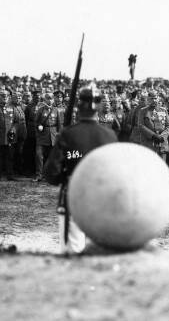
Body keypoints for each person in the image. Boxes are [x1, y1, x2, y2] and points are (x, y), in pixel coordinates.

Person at [44, 84, 118, 254]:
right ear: (99, 107)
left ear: (79, 106)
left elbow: (51, 174)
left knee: (73, 254)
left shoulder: (68, 134)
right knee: (100, 256)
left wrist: (66, 174)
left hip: (73, 198)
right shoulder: (110, 136)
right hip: (102, 200)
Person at [0, 90, 18, 181]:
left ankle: (10, 175)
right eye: (2, 96)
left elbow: (16, 122)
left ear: (9, 97)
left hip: (10, 137)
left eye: (6, 96)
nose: (4, 97)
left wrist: (13, 129)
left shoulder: (13, 108)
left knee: (10, 156)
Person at [139, 92, 169, 160]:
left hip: (162, 143)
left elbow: (168, 126)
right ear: (148, 99)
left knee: (161, 166)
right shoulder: (143, 111)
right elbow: (141, 126)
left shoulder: (163, 110)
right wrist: (153, 135)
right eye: (151, 98)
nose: (154, 100)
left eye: (155, 98)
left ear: (158, 99)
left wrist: (162, 137)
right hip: (149, 143)